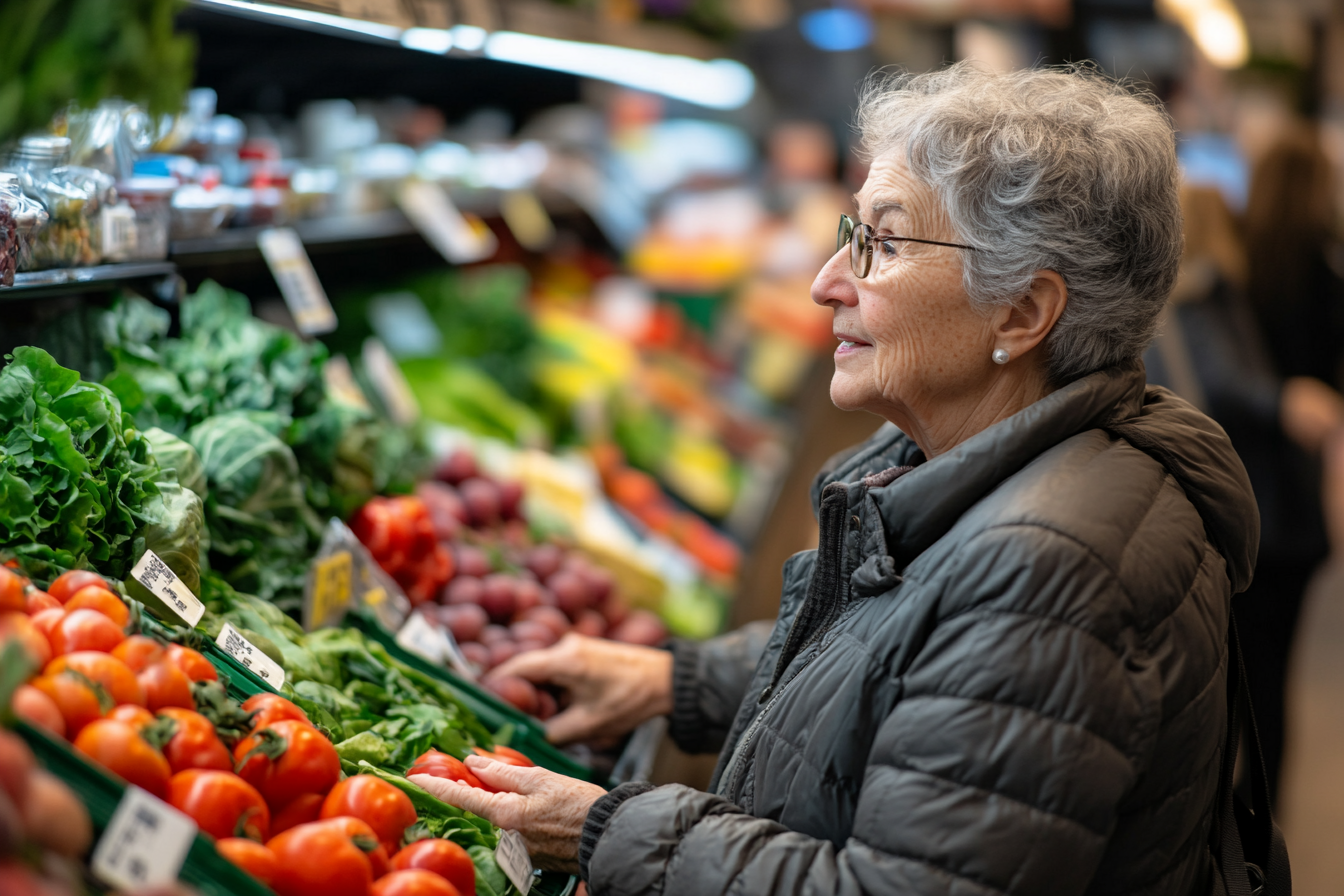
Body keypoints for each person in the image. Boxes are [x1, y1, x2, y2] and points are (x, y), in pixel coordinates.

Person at [412, 64, 1260, 895]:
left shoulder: (1054, 568)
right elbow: (909, 657)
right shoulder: (1000, 467)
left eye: (882, 242)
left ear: (1023, 313)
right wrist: (681, 681)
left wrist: (611, 833)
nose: (825, 283)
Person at [1146, 182, 1344, 804]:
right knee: (1261, 687)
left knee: (1239, 684)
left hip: (1245, 515)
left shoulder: (1176, 304)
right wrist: (1287, 400)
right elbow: (1232, 382)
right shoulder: (1210, 293)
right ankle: (1256, 823)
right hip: (1270, 515)